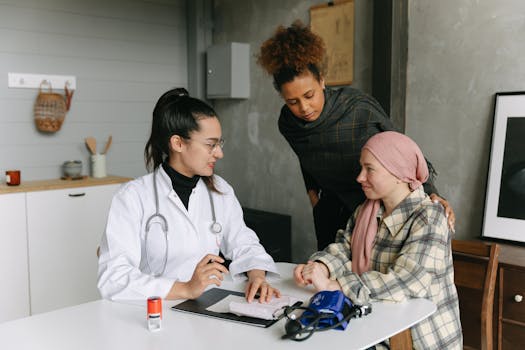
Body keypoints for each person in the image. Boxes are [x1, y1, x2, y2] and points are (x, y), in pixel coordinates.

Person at [257, 21, 455, 250]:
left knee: (371, 272)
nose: (304, 107)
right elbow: (306, 158)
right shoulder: (288, 123)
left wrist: (432, 193)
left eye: (309, 95)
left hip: (374, 202)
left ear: (322, 80)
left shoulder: (356, 108)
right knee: (329, 267)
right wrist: (313, 196)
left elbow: (402, 151)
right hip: (330, 207)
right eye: (292, 101)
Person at [97, 88, 280, 303]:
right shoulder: (133, 197)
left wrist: (257, 276)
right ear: (178, 143)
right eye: (210, 144)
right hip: (154, 312)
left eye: (219, 144)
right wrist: (185, 289)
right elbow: (113, 278)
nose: (219, 153)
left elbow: (244, 243)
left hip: (208, 307)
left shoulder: (220, 190)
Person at [293, 131, 462, 349]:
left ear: (399, 174)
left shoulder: (429, 217)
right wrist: (320, 266)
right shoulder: (366, 210)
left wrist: (337, 285)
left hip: (415, 339)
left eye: (369, 169)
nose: (360, 177)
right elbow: (345, 248)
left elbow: (409, 281)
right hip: (374, 325)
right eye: (361, 168)